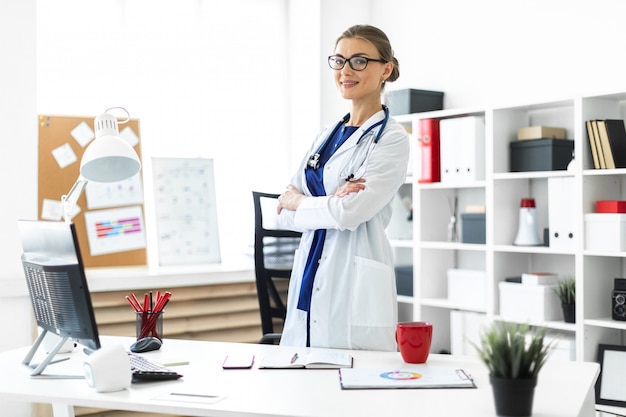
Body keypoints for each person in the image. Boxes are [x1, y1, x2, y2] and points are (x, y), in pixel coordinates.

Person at [275, 24, 409, 351]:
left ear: (385, 69)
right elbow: (281, 213)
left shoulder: (391, 138)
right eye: (339, 60)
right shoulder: (325, 136)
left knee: (350, 391)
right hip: (310, 274)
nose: (346, 70)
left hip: (353, 283)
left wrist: (301, 203)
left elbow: (349, 214)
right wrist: (320, 205)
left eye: (359, 61)